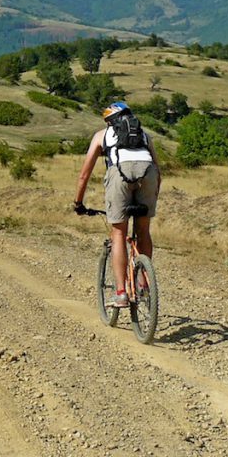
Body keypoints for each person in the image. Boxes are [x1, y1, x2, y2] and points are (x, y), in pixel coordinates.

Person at [73, 102, 161, 307]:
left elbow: (84, 175)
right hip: (148, 176)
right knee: (143, 230)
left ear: (109, 120)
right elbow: (158, 171)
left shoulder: (102, 135)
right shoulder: (145, 135)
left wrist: (78, 202)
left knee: (119, 233)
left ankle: (121, 293)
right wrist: (153, 193)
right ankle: (144, 285)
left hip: (119, 174)